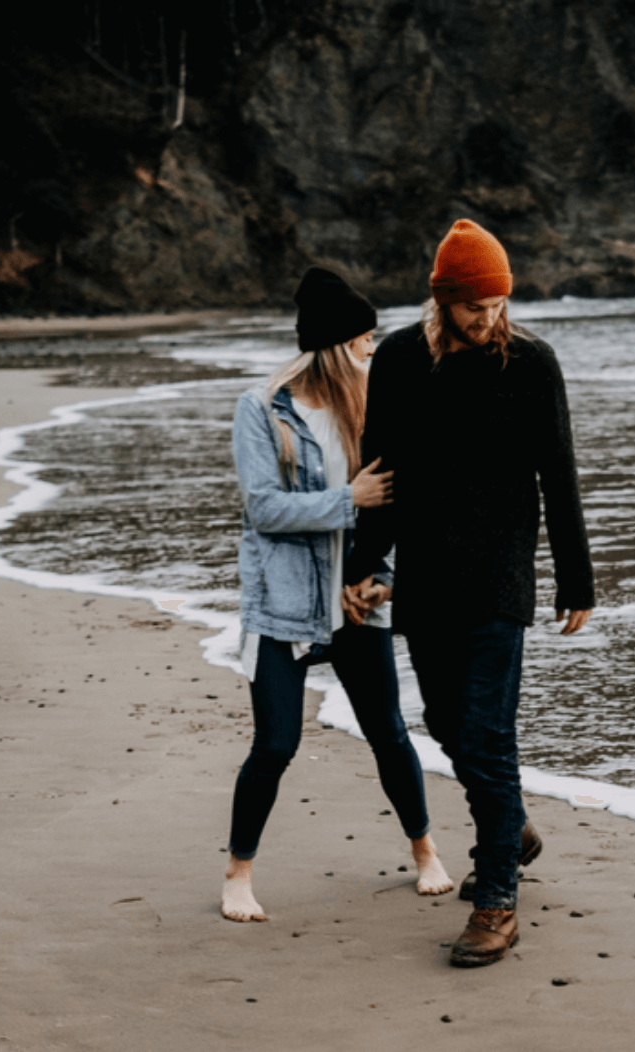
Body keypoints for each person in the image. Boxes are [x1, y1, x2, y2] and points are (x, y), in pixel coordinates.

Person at [344, 219, 595, 966]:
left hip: (499, 576)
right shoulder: (398, 359)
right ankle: (509, 826)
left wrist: (576, 580)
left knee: (486, 734)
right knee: (447, 724)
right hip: (426, 573)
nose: (487, 319)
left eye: (497, 305)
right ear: (443, 300)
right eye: (473, 307)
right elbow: (379, 467)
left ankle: (497, 901)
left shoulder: (531, 363)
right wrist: (366, 562)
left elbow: (560, 473)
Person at [222, 266, 453, 923]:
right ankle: (238, 874)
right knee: (275, 746)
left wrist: (383, 580)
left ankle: (426, 853)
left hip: (355, 602)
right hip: (284, 604)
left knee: (389, 733)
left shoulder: (373, 408)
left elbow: (401, 511)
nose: (375, 349)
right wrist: (348, 500)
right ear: (338, 345)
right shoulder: (263, 408)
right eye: (366, 340)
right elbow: (264, 508)